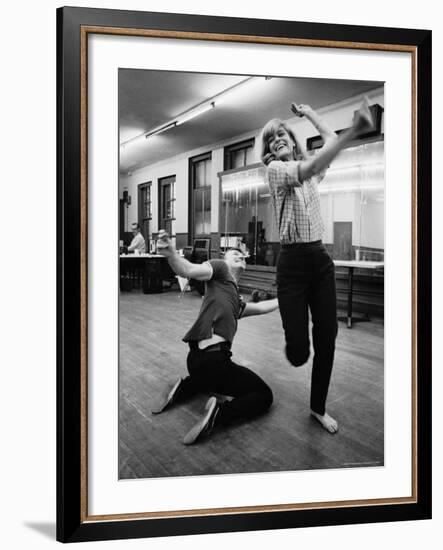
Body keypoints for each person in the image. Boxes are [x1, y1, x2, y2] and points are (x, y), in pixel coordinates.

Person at [261, 97, 374, 434]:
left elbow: (327, 144)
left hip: (320, 261)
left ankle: (318, 408)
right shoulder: (277, 171)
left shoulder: (311, 175)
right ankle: (295, 345)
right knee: (299, 353)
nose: (278, 138)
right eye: (272, 137)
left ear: (293, 141)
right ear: (269, 149)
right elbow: (309, 166)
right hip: (292, 266)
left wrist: (310, 113)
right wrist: (354, 129)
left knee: (328, 337)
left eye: (283, 134)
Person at [152, 230, 278, 445]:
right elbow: (188, 269)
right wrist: (172, 255)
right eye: (232, 254)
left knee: (208, 381)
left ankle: (183, 388)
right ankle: (219, 414)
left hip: (196, 362)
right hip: (214, 362)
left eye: (241, 254)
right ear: (223, 259)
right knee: (264, 395)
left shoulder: (234, 300)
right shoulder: (220, 269)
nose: (238, 255)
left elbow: (260, 308)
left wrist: (286, 298)